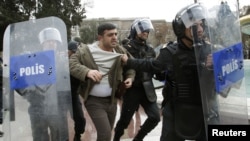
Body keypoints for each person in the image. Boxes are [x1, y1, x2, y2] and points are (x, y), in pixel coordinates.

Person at [121, 3, 218, 141]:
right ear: (182, 28)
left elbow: (224, 81)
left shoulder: (210, 50)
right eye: (194, 26)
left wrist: (214, 67)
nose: (200, 29)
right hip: (176, 109)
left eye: (201, 24)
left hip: (205, 109)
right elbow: (151, 65)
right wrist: (129, 61)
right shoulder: (170, 53)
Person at [69, 23, 136, 141]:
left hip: (112, 100)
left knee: (107, 134)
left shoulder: (120, 50)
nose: (115, 37)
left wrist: (130, 77)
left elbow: (132, 66)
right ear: (100, 37)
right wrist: (87, 72)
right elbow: (71, 64)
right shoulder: (85, 51)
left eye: (115, 34)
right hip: (93, 101)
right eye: (110, 35)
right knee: (105, 134)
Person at [16, 27, 71, 141]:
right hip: (37, 107)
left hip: (57, 107)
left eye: (54, 41)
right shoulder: (32, 60)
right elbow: (19, 80)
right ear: (42, 43)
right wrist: (28, 93)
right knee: (39, 137)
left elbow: (69, 82)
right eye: (48, 41)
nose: (51, 43)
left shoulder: (63, 61)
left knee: (60, 137)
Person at [113, 18, 160, 141]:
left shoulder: (150, 50)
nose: (145, 32)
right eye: (142, 30)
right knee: (124, 121)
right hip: (132, 89)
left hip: (147, 88)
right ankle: (116, 138)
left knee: (155, 117)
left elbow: (153, 68)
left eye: (147, 30)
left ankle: (138, 138)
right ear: (135, 31)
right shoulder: (126, 47)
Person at [68, 41, 86, 141]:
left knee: (80, 119)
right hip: (59, 96)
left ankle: (78, 136)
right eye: (72, 52)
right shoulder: (59, 61)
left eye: (75, 52)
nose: (74, 54)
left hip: (73, 95)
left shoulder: (78, 63)